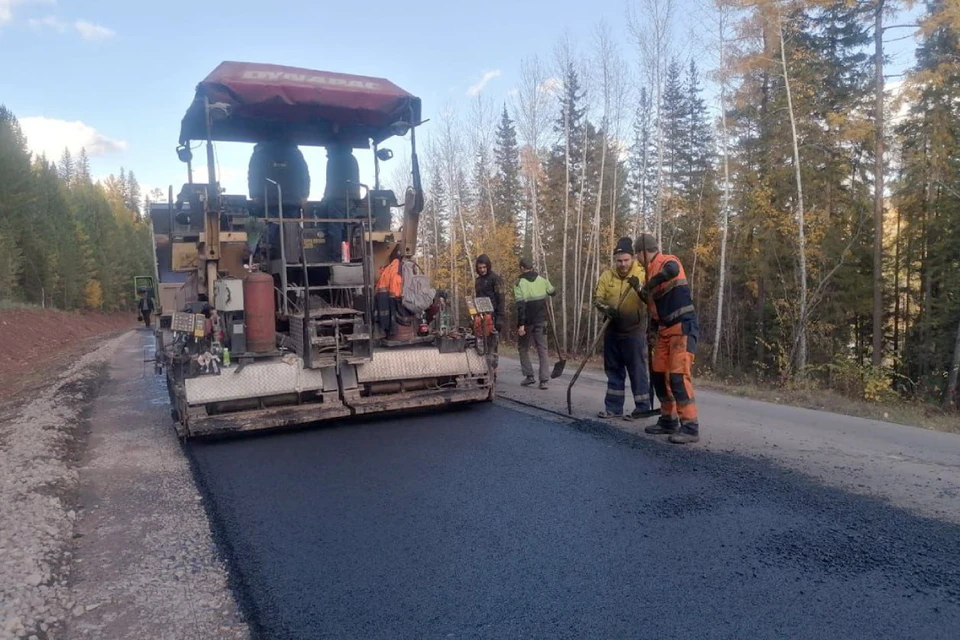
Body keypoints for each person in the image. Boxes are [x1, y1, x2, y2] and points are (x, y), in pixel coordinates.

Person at [631, 233, 700, 444]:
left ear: (643, 252)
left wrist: (651, 282)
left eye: (636, 255)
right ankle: (668, 419)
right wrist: (639, 289)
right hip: (663, 331)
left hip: (682, 328)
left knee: (678, 377)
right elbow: (652, 301)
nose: (636, 259)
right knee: (659, 376)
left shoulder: (667, 260)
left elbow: (671, 271)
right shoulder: (648, 272)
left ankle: (690, 427)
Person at [593, 237, 651, 420]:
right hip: (612, 328)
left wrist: (639, 288)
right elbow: (597, 299)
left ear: (633, 258)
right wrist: (606, 309)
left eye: (626, 260)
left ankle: (642, 408)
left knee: (637, 370)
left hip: (634, 331)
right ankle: (613, 408)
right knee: (613, 370)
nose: (622, 264)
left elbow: (651, 300)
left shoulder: (642, 273)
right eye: (619, 260)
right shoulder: (607, 275)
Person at [514, 257, 556, 390]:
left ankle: (529, 376)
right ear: (531, 267)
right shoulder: (543, 280)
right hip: (541, 320)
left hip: (526, 322)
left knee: (523, 348)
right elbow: (553, 292)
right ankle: (544, 380)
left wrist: (520, 325)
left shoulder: (519, 283)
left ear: (521, 268)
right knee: (542, 349)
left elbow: (521, 306)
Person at [474, 254, 505, 376]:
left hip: (493, 316)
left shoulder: (496, 279)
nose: (482, 270)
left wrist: (500, 318)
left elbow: (501, 299)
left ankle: (493, 369)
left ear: (488, 266)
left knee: (493, 344)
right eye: (480, 267)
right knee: (480, 343)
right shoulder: (478, 281)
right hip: (480, 316)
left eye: (484, 267)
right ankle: (482, 368)